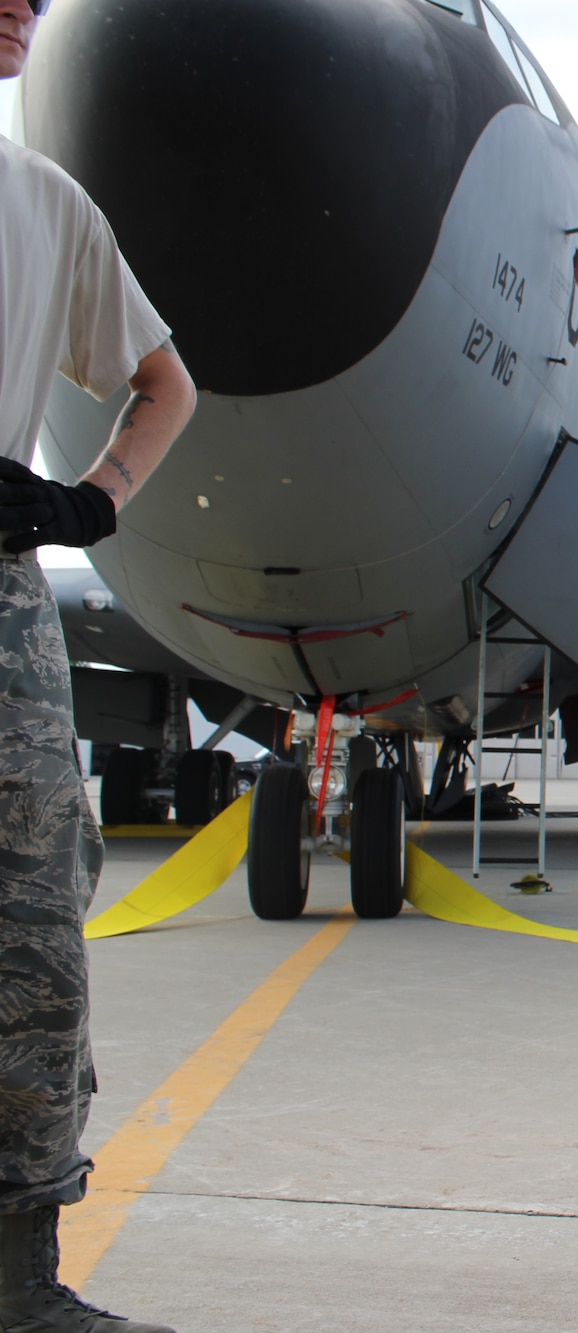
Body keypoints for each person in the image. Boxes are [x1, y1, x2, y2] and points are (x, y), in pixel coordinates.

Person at [0, 2, 198, 1329]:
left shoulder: (42, 205)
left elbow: (165, 384)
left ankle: (20, 1279)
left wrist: (92, 502)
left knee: (30, 943)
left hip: (1, 608)